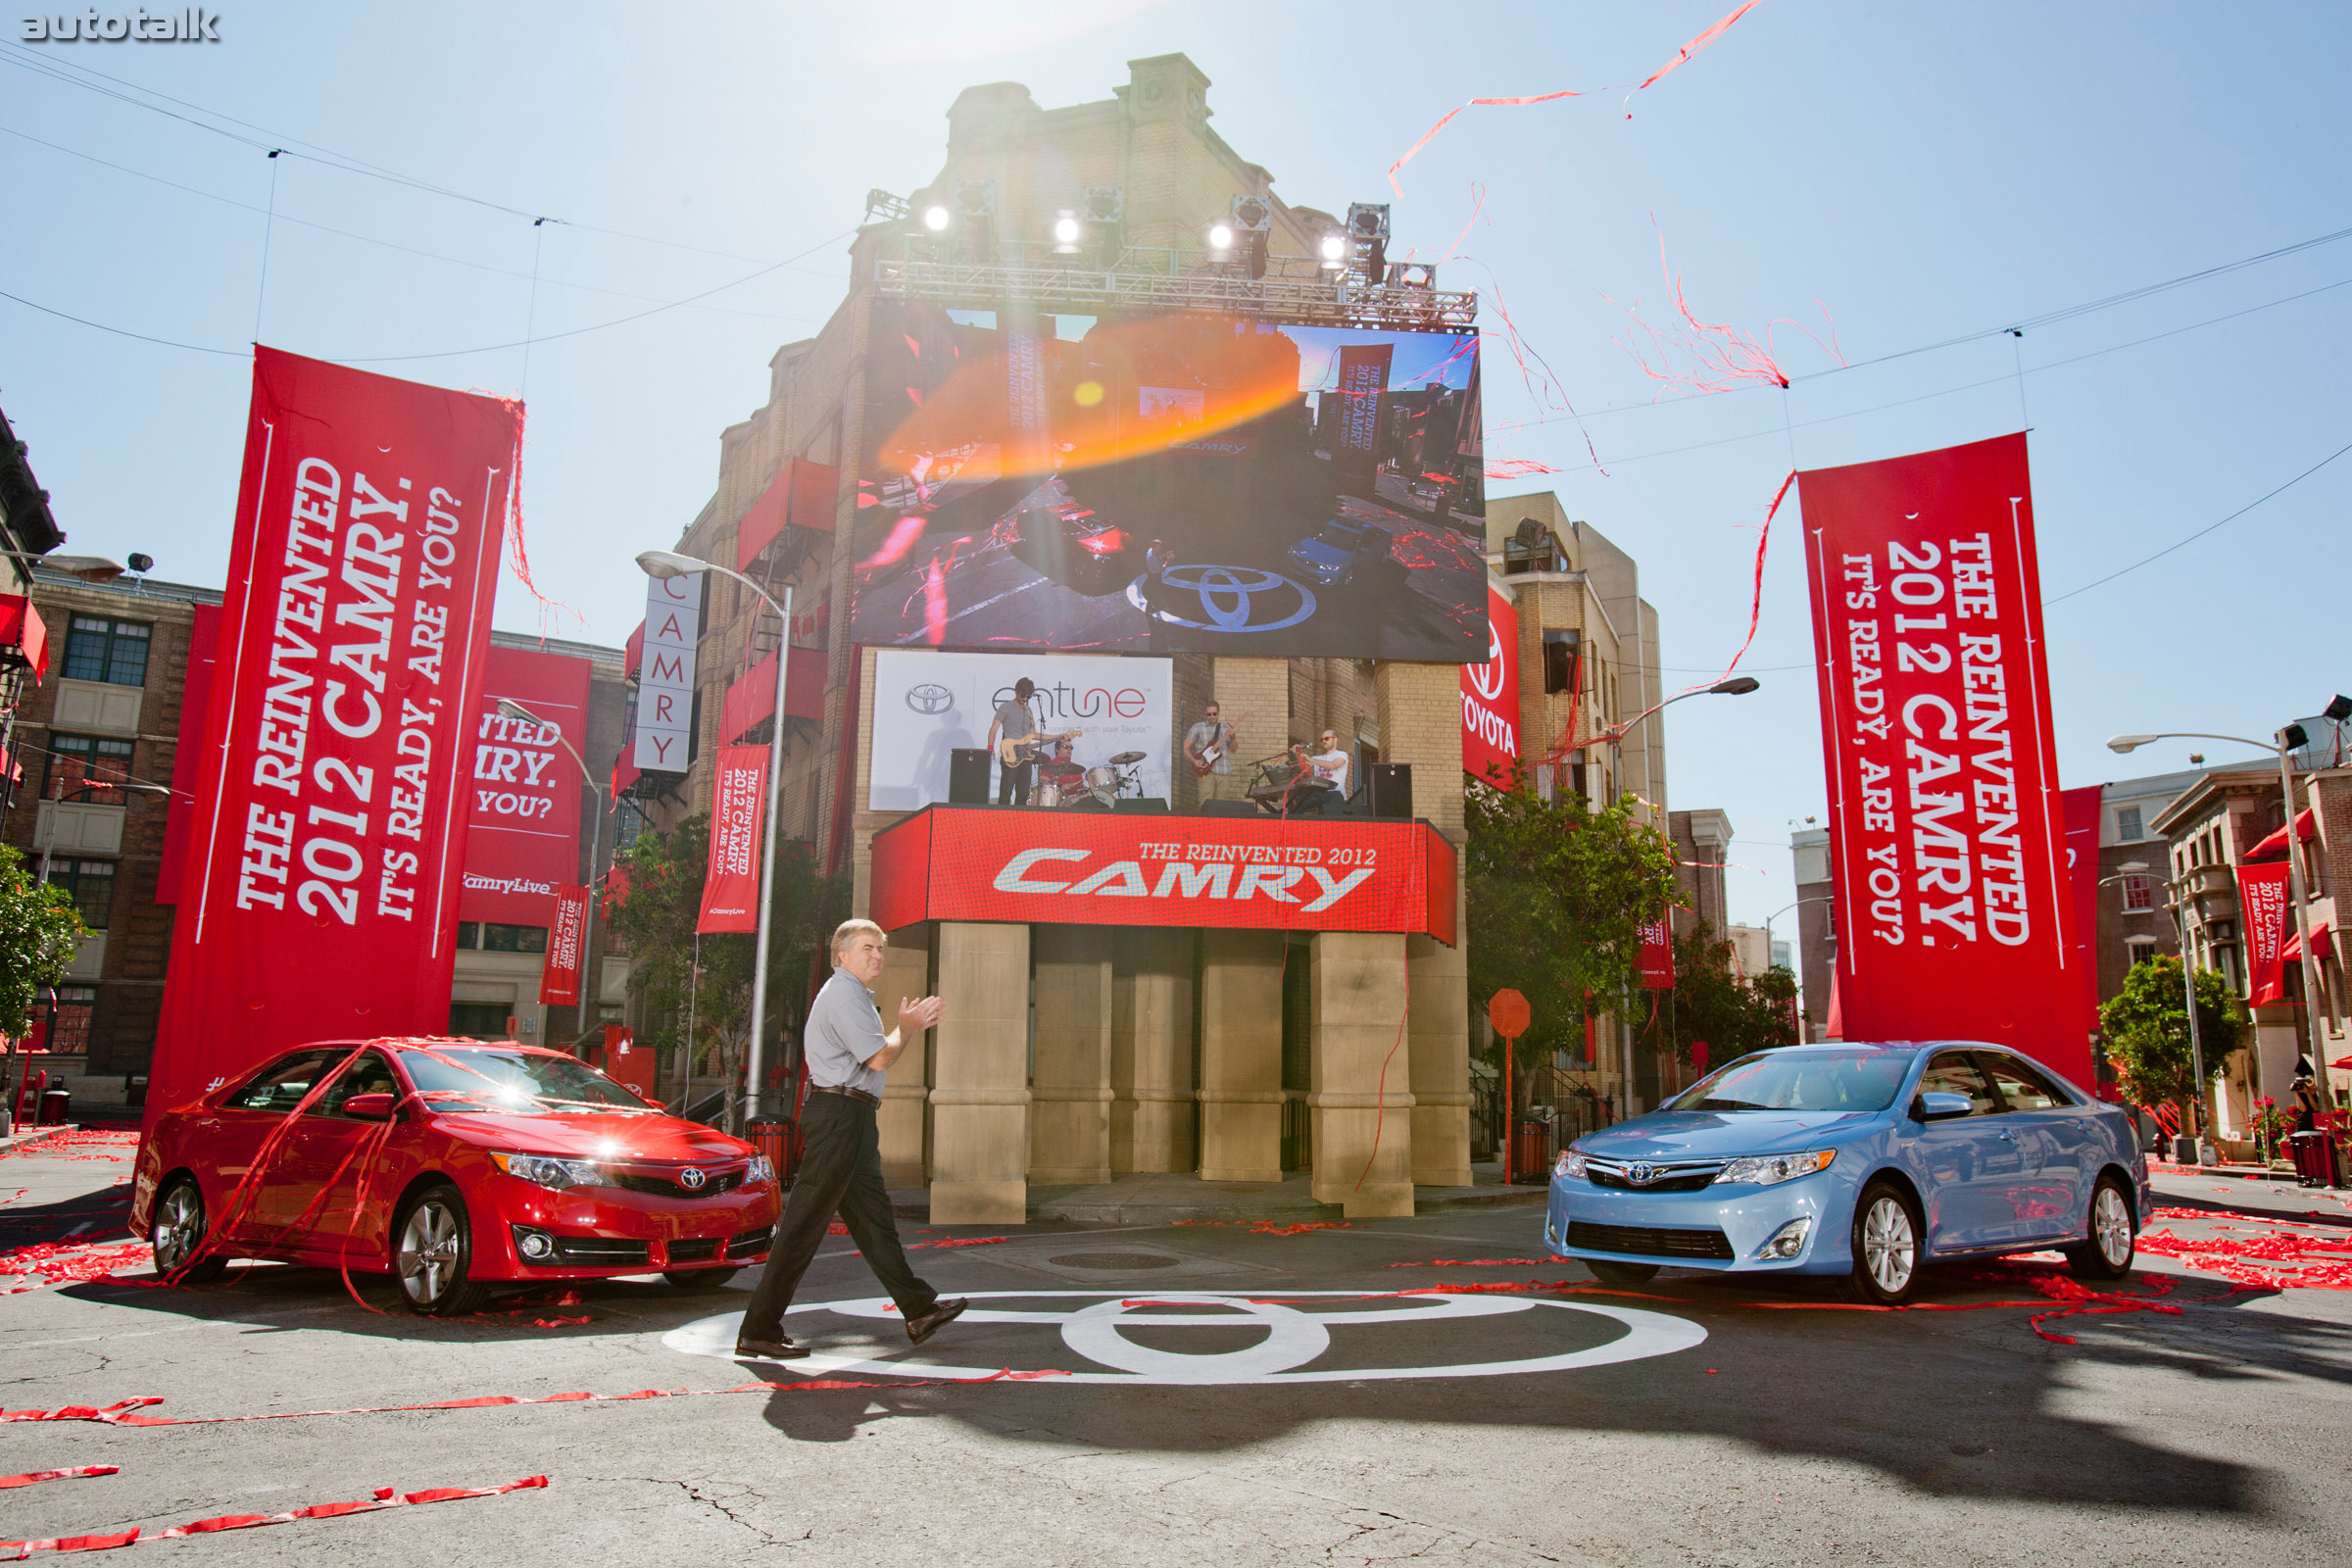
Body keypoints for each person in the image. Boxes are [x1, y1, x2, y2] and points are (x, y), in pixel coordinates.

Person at [735, 920, 967, 1361]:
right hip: (840, 1115)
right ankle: (758, 1329)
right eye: (866, 948)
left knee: (874, 1221)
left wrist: (904, 1027)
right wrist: (908, 1027)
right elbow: (879, 1057)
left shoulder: (853, 994)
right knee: (804, 1223)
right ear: (841, 954)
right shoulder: (843, 993)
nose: (876, 955)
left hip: (851, 1116)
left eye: (879, 948)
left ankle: (918, 1310)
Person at [984, 676, 1038, 808]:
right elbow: (994, 728)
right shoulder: (1005, 707)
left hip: (1026, 755)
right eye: (1023, 695)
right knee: (1006, 790)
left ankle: (1019, 822)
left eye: (1028, 697)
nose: (1025, 699)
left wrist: (1059, 736)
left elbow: (1034, 734)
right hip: (1010, 754)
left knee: (1024, 792)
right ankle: (1001, 820)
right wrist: (990, 746)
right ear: (1016, 691)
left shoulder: (1028, 711)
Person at [1185, 700, 1235, 801]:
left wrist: (1233, 737)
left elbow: (1233, 750)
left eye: (1214, 714)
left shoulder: (1226, 728)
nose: (1212, 716)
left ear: (1219, 712)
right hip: (1206, 771)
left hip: (1223, 771)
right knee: (1205, 804)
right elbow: (1185, 748)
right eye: (1209, 714)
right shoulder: (1198, 727)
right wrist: (1194, 761)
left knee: (1222, 807)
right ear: (1205, 713)